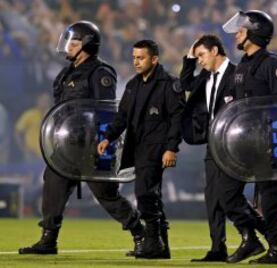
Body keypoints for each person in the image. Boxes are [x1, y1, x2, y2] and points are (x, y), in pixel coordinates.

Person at [19, 21, 144, 255]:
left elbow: (106, 110)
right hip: (68, 146)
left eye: (73, 43)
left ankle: (140, 234)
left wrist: (105, 145)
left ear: (87, 45)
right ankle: (48, 239)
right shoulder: (66, 73)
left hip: (94, 145)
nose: (68, 47)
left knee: (106, 195)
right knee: (53, 185)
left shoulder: (101, 73)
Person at [180, 34, 266, 263]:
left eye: (201, 55)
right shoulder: (205, 77)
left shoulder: (238, 74)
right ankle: (218, 247)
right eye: (196, 56)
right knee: (212, 197)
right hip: (212, 143)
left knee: (228, 195)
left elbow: (248, 110)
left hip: (235, 146)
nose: (199, 60)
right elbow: (184, 84)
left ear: (215, 51)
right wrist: (189, 57)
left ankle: (256, 236)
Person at [97, 39, 184, 259]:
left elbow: (177, 119)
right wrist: (108, 137)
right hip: (138, 148)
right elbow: (122, 117)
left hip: (157, 148)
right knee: (151, 194)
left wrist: (171, 148)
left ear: (154, 59)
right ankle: (161, 247)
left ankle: (153, 243)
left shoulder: (169, 84)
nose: (136, 61)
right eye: (134, 57)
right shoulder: (133, 85)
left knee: (144, 192)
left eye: (141, 57)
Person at [223, 10, 277, 264]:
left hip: (269, 142)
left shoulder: (273, 64)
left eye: (241, 30)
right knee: (227, 193)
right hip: (243, 144)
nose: (237, 34)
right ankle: (258, 236)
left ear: (255, 33)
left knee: (271, 197)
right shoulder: (242, 65)